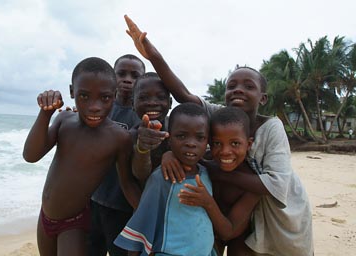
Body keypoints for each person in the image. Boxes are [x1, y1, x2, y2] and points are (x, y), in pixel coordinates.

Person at [124, 15, 314, 255]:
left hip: (282, 213)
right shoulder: (221, 116)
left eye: (248, 86)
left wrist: (207, 166)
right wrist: (153, 55)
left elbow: (275, 186)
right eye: (232, 85)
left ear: (263, 98)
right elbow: (183, 95)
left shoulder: (272, 127)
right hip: (239, 207)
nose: (238, 90)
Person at [23, 57, 141, 256]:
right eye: (84, 96)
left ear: (114, 95)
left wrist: (149, 215)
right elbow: (30, 155)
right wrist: (45, 113)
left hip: (74, 224)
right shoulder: (63, 121)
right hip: (45, 218)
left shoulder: (119, 138)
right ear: (72, 92)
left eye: (104, 98)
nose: (94, 106)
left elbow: (127, 183)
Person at [114, 102, 216, 256]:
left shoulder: (207, 173)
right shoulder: (161, 178)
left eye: (200, 137)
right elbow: (142, 222)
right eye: (181, 136)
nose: (190, 143)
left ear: (207, 141)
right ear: (169, 139)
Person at [178, 106, 261, 255]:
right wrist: (169, 156)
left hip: (237, 235)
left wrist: (207, 202)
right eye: (217, 143)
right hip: (204, 232)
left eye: (235, 143)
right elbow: (181, 157)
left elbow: (229, 232)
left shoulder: (252, 184)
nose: (225, 151)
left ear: (248, 144)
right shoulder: (204, 163)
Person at [88, 54, 145, 256]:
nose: (127, 79)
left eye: (135, 75)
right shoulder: (100, 110)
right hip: (92, 199)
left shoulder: (143, 116)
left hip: (123, 205)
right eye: (121, 73)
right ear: (112, 77)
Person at [129, 72, 172, 185]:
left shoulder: (177, 129)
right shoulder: (130, 136)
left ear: (170, 103)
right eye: (143, 98)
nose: (152, 103)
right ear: (132, 104)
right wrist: (142, 148)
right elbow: (140, 175)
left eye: (161, 97)